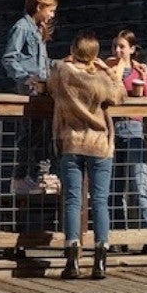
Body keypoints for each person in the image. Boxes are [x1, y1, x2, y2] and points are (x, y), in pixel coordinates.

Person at [49, 31, 127, 279]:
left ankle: (72, 259)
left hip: (72, 142)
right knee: (100, 201)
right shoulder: (101, 78)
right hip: (99, 144)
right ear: (95, 54)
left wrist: (67, 60)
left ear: (73, 50)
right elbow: (120, 95)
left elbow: (49, 83)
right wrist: (107, 69)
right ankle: (100, 260)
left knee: (73, 201)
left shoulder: (62, 72)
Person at [1, 0, 58, 198]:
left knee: (42, 135)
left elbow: (42, 63)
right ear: (39, 7)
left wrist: (61, 65)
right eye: (50, 10)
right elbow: (9, 58)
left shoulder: (38, 30)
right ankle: (21, 178)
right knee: (29, 134)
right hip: (29, 90)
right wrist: (25, 78)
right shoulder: (22, 28)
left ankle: (39, 175)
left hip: (42, 90)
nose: (52, 15)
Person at [107, 30, 147, 254]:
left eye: (122, 46)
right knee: (114, 188)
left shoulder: (140, 70)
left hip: (133, 127)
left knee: (139, 184)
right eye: (115, 46)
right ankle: (119, 237)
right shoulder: (107, 68)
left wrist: (142, 82)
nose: (118, 50)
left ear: (132, 49)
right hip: (112, 128)